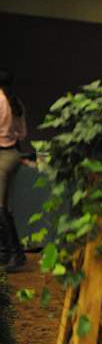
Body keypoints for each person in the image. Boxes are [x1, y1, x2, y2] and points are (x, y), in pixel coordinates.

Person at [0, 70, 27, 272]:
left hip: (2, 155)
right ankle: (11, 252)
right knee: (3, 206)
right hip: (13, 153)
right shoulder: (15, 102)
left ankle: (14, 254)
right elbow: (22, 133)